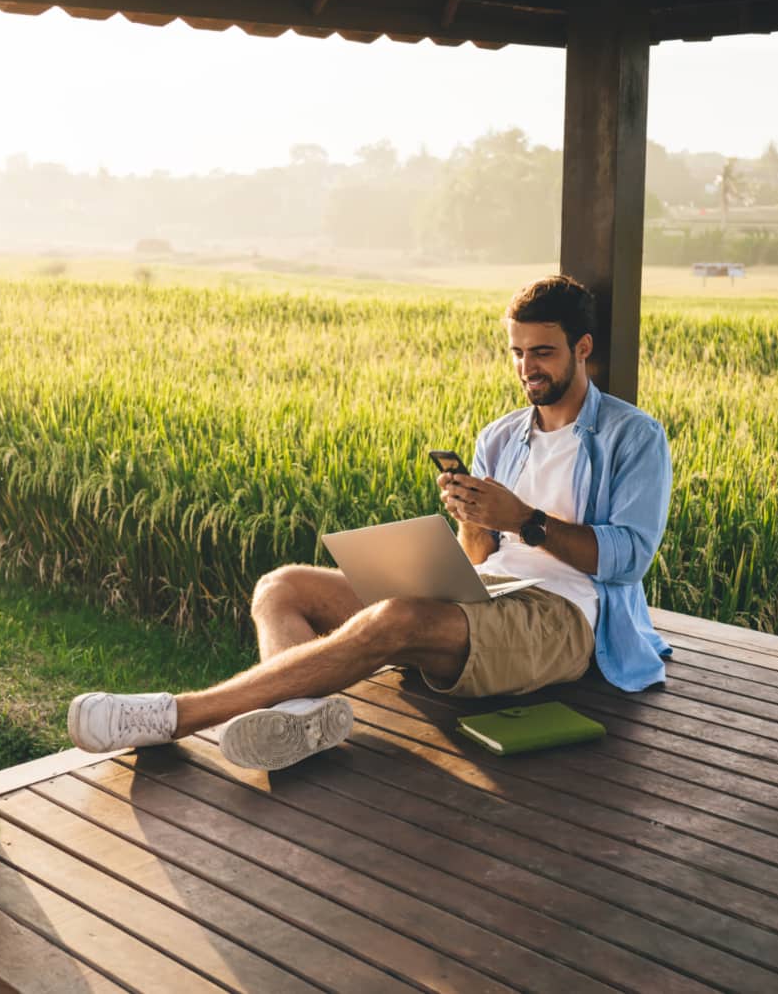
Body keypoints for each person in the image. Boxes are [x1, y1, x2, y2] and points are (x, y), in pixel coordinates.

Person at [68, 274, 673, 770]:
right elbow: (478, 555)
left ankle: (175, 716)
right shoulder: (501, 436)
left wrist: (525, 520)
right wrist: (469, 520)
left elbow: (629, 557)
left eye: (542, 352)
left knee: (395, 617)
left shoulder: (631, 435)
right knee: (283, 586)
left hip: (563, 617)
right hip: (490, 593)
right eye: (516, 352)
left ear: (582, 347)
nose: (526, 369)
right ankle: (301, 719)